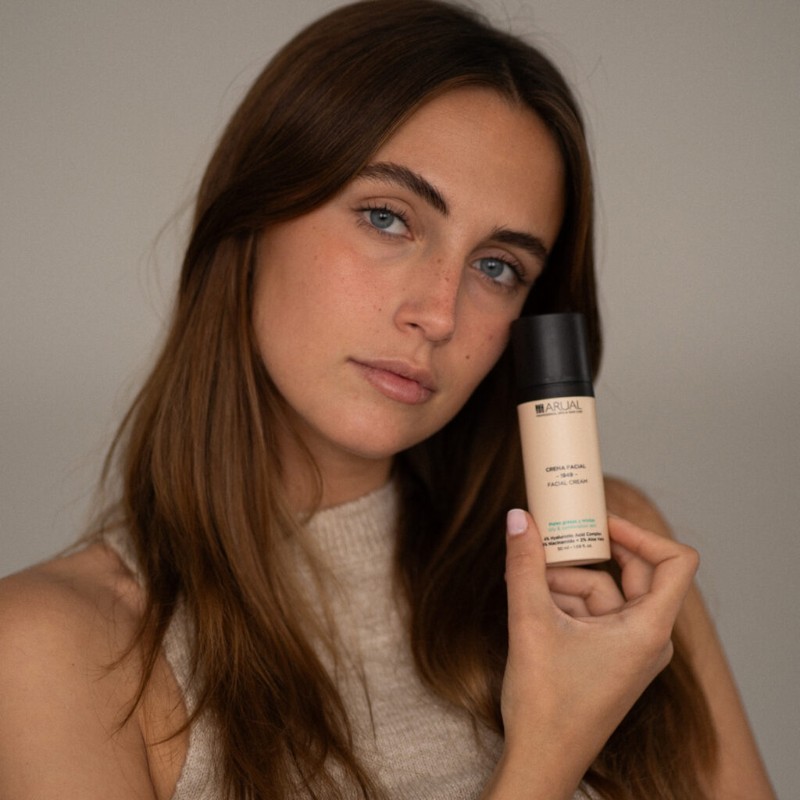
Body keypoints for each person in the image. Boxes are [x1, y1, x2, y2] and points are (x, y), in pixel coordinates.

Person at [0, 1, 774, 798]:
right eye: (387, 218)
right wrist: (550, 748)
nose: (438, 314)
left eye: (498, 267)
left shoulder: (613, 558)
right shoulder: (59, 648)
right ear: (253, 215)